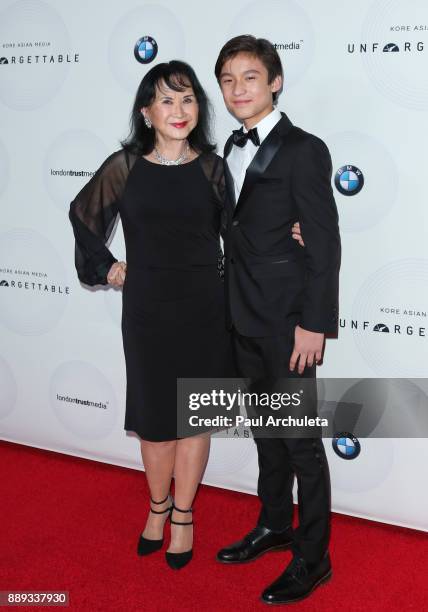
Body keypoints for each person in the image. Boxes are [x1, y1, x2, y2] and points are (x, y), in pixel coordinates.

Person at [69, 60, 236, 570]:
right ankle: (157, 507)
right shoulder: (124, 166)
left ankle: (183, 515)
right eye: (166, 100)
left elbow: (239, 234)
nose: (179, 110)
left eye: (187, 100)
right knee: (155, 421)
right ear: (147, 112)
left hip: (205, 307)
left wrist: (286, 236)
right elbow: (82, 217)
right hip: (146, 310)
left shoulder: (213, 168)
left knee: (195, 417)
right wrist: (107, 266)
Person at [214, 35, 341, 604]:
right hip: (242, 315)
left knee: (300, 443)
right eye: (228, 80)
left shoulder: (303, 149)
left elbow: (325, 240)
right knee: (266, 433)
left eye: (249, 77)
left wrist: (315, 323)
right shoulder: (224, 153)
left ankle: (314, 558)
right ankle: (274, 523)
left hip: (289, 323)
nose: (238, 89)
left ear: (275, 82)